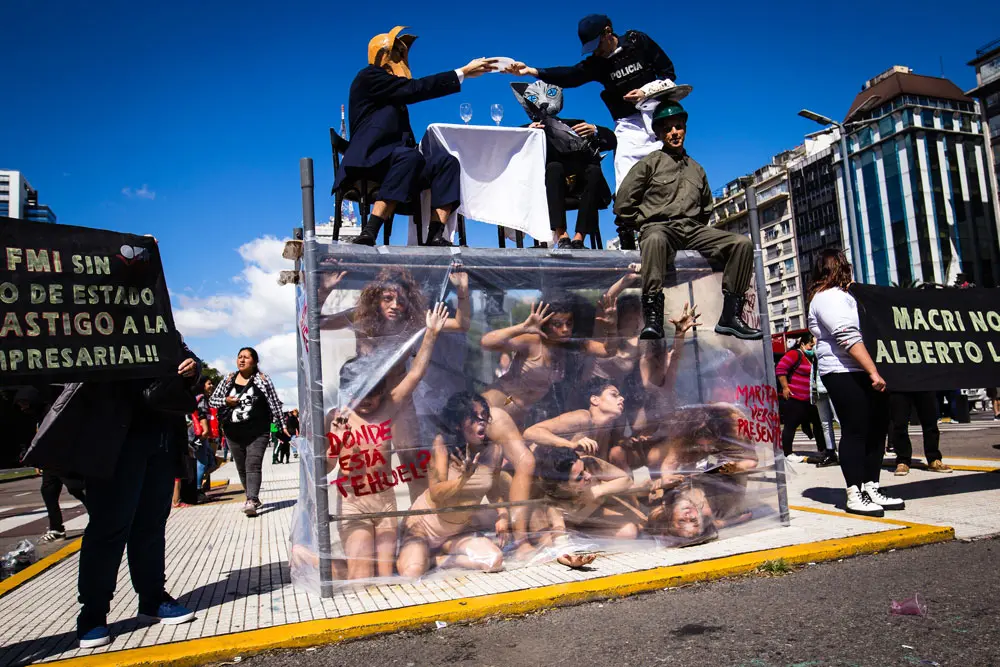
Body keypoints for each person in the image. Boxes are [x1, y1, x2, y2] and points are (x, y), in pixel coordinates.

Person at [28, 336, 203, 648]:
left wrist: (193, 368)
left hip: (160, 435)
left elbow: (187, 357)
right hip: (114, 440)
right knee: (109, 526)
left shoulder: (157, 321)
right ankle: (93, 614)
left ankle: (152, 599)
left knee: (150, 524)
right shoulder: (97, 321)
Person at [334, 25, 496, 246]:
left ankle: (436, 235)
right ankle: (370, 230)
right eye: (397, 52)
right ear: (383, 56)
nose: (402, 58)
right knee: (410, 157)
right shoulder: (369, 76)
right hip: (372, 161)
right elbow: (416, 88)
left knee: (446, 163)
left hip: (399, 163)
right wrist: (463, 72)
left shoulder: (392, 92)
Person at [614, 101, 760, 341]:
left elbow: (705, 209)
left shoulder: (697, 169)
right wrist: (644, 223)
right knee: (654, 239)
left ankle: (730, 317)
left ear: (685, 129)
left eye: (678, 127)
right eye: (668, 129)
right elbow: (623, 204)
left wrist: (697, 232)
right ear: (660, 133)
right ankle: (652, 319)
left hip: (692, 229)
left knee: (741, 243)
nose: (674, 133)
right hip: (660, 227)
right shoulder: (650, 163)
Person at [327, 303, 448, 580]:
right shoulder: (337, 417)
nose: (367, 402)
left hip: (385, 505)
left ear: (383, 392)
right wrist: (335, 437)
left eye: (374, 394)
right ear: (349, 392)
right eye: (361, 396)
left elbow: (415, 374)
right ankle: (316, 563)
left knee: (385, 577)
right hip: (353, 506)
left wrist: (430, 334)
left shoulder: (387, 408)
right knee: (361, 577)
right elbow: (326, 467)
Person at [507, 14, 679, 190]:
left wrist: (645, 92)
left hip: (659, 116)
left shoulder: (637, 41)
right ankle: (626, 214)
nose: (595, 51)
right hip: (628, 123)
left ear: (608, 31)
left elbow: (668, 74)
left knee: (669, 168)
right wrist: (532, 71)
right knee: (626, 174)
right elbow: (571, 76)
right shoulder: (598, 63)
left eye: (597, 45)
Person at [807, 249, 902, 517]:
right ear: (836, 267)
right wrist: (873, 372)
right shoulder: (827, 298)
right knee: (855, 429)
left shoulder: (845, 296)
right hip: (842, 370)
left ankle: (871, 487)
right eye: (844, 264)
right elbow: (846, 335)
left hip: (860, 368)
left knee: (876, 429)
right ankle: (854, 492)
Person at [397, 392, 508, 577]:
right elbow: (435, 494)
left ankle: (438, 559)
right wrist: (462, 481)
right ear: (457, 424)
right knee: (411, 573)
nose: (481, 421)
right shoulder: (442, 447)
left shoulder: (494, 451)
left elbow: (494, 490)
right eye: (473, 417)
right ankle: (421, 555)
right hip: (424, 526)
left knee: (493, 561)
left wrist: (503, 515)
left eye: (484, 415)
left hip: (457, 531)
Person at [511, 80, 616, 249]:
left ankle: (579, 238)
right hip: (548, 188)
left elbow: (611, 141)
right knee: (554, 167)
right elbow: (507, 146)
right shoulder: (528, 129)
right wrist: (527, 134)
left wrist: (595, 130)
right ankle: (562, 236)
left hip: (581, 185)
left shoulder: (574, 124)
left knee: (594, 171)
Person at [209, 347, 287, 518]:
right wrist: (225, 400)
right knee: (241, 467)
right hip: (233, 431)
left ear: (255, 362)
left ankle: (251, 499)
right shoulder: (228, 380)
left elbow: (274, 404)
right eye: (239, 357)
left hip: (258, 431)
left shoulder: (263, 380)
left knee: (253, 465)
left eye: (246, 357)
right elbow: (212, 401)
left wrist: (282, 426)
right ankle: (251, 496)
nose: (242, 360)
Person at [530, 444, 643, 542]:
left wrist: (597, 490)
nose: (588, 475)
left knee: (630, 531)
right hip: (567, 524)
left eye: (584, 469)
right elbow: (559, 530)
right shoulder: (553, 495)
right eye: (579, 477)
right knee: (548, 542)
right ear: (562, 485)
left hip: (591, 515)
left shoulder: (590, 463)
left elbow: (626, 480)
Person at [523, 378, 626, 465]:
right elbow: (530, 433)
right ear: (595, 400)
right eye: (614, 395)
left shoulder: (605, 429)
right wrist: (571, 445)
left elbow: (600, 465)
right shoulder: (582, 417)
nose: (622, 398)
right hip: (533, 468)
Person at [776, 333, 837, 467]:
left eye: (815, 345)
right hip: (794, 397)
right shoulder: (794, 354)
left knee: (819, 425)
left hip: (811, 399)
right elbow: (781, 369)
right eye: (811, 345)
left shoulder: (814, 357)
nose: (813, 348)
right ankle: (787, 453)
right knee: (791, 426)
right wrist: (785, 387)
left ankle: (823, 449)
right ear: (802, 344)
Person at [889, 391, 951, 475]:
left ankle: (934, 459)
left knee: (930, 422)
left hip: (924, 383)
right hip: (900, 385)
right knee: (899, 424)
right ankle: (902, 461)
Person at [39, 470, 86, 543]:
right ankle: (57, 529)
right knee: (48, 491)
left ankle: (101, 517)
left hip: (64, 461)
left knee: (76, 488)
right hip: (49, 462)